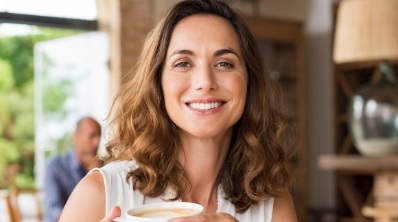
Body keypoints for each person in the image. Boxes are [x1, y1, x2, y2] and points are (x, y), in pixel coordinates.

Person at [60, 0, 298, 221]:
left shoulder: (272, 201)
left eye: (224, 63)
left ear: (249, 81)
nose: (205, 81)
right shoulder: (99, 193)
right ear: (158, 83)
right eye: (183, 63)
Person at [44, 116, 102, 222]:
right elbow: (54, 210)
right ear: (76, 137)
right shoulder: (55, 166)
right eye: (92, 136)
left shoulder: (104, 168)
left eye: (99, 136)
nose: (97, 142)